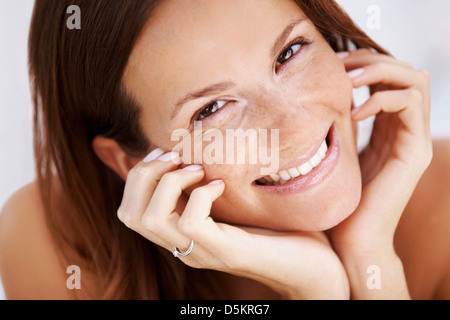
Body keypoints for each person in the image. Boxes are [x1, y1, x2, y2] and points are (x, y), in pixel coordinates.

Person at [0, 0, 449, 300]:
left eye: (290, 52)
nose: (292, 126)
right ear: (133, 163)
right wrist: (321, 289)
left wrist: (370, 260)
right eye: (212, 108)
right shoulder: (53, 241)